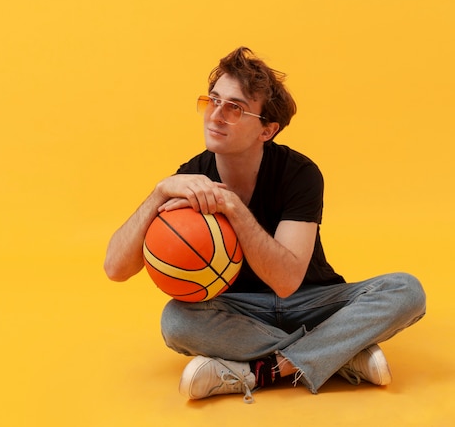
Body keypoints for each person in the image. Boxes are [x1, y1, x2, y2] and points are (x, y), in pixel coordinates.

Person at [104, 47, 426, 403]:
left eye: (235, 108)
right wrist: (158, 192)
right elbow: (115, 269)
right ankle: (339, 354)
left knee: (406, 291)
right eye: (213, 101)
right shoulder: (191, 178)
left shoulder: (300, 173)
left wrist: (232, 206)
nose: (215, 115)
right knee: (177, 321)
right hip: (238, 309)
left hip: (312, 301)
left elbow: (286, 281)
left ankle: (261, 370)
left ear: (267, 130)